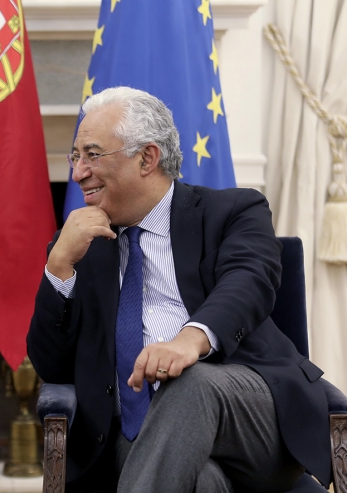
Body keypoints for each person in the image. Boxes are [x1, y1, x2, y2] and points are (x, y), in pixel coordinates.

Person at [27, 86, 329, 492]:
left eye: (93, 155)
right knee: (202, 483)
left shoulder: (233, 212)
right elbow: (52, 367)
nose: (79, 172)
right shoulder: (81, 249)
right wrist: (58, 267)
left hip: (250, 422)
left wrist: (190, 340)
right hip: (135, 436)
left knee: (190, 382)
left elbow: (249, 282)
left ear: (147, 158)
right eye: (76, 157)